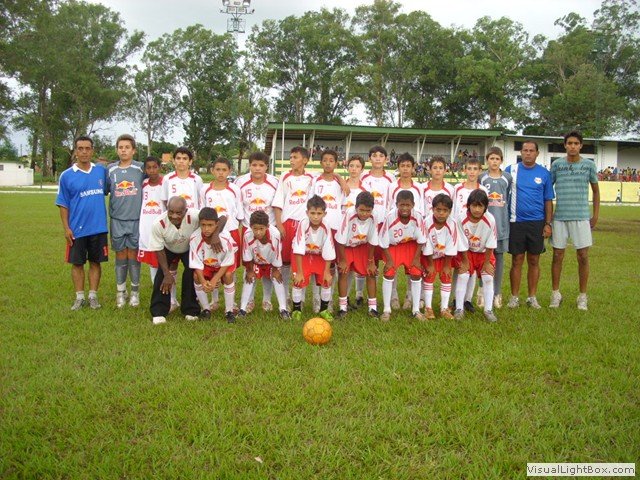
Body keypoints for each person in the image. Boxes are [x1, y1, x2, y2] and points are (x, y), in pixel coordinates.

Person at [56, 135, 109, 310]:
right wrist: (66, 228)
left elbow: (108, 190)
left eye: (87, 148)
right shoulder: (66, 176)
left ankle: (93, 296)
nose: (84, 152)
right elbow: (63, 204)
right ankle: (79, 297)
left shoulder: (101, 171)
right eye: (80, 148)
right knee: (77, 263)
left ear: (92, 151)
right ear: (75, 151)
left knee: (95, 262)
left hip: (98, 228)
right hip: (77, 229)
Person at [550, 131, 600, 310]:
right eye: (569, 143)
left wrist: (595, 215)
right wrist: (548, 218)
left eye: (576, 143)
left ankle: (582, 296)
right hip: (560, 217)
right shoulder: (557, 165)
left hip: (581, 217)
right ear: (565, 145)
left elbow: (596, 191)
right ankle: (555, 294)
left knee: (583, 256)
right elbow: (548, 190)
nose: (572, 146)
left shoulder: (588, 165)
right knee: (557, 255)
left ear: (581, 146)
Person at [504, 141, 554, 309]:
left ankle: (532, 297)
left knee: (534, 260)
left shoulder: (544, 173)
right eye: (525, 150)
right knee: (517, 260)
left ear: (537, 153)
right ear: (521, 152)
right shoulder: (511, 170)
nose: (528, 153)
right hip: (516, 222)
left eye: (531, 150)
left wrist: (548, 223)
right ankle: (514, 297)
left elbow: (548, 200)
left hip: (537, 223)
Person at [148, 197, 213, 324]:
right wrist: (167, 274)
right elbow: (159, 250)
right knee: (162, 275)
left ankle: (190, 309)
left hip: (189, 248)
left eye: (179, 213)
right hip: (168, 248)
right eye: (171, 212)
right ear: (167, 209)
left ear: (185, 211)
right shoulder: (158, 224)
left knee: (191, 272)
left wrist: (215, 236)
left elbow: (220, 219)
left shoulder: (195, 215)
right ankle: (159, 311)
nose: (174, 216)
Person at [236, 151, 279, 312]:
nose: (257, 168)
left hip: (269, 230)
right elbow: (238, 206)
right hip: (249, 230)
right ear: (250, 165)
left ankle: (267, 300)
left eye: (261, 165)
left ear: (267, 166)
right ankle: (249, 300)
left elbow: (278, 205)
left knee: (268, 264)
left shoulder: (274, 182)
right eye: (254, 165)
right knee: (249, 264)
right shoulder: (240, 182)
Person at [105, 134, 145, 308]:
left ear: (133, 150)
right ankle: (121, 292)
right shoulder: (110, 169)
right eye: (120, 147)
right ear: (117, 150)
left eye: (127, 147)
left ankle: (135, 292)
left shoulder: (140, 168)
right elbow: (106, 190)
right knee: (120, 255)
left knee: (134, 256)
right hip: (117, 220)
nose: (123, 150)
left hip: (136, 220)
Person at [272, 146, 315, 299]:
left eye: (295, 157)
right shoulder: (285, 176)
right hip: (287, 224)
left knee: (301, 261)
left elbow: (329, 174)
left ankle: (300, 298)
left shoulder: (311, 178)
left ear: (305, 160)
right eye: (290, 157)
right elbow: (278, 202)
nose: (291, 160)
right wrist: (279, 224)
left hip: (304, 225)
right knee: (285, 262)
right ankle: (285, 296)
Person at [137, 156, 180, 310]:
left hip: (164, 230)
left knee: (169, 265)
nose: (152, 170)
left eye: (155, 167)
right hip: (146, 229)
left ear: (159, 168)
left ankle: (173, 299)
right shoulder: (143, 184)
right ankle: (160, 297)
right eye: (148, 168)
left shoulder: (165, 183)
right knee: (153, 265)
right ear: (145, 170)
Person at [385, 152, 425, 309]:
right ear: (398, 167)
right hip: (396, 231)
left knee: (412, 266)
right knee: (392, 266)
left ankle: (409, 296)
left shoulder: (419, 187)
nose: (406, 169)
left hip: (413, 232)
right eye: (403, 166)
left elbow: (421, 210)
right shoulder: (392, 186)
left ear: (413, 167)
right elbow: (389, 208)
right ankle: (393, 296)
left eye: (409, 166)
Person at [379, 191, 426, 321]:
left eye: (408, 205)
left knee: (416, 272)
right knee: (389, 273)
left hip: (411, 245)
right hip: (394, 246)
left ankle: (416, 310)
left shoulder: (418, 216)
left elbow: (421, 239)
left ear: (413, 205)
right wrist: (389, 260)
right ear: (396, 204)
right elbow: (383, 241)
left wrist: (416, 259)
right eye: (402, 205)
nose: (405, 208)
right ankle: (386, 310)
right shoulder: (390, 216)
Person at [453, 190, 498, 322]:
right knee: (463, 275)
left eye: (480, 206)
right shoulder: (461, 218)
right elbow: (461, 242)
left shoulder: (490, 219)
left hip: (484, 253)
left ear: (485, 207)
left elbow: (491, 243)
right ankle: (459, 309)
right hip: (467, 252)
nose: (477, 209)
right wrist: (465, 261)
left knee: (488, 277)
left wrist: (487, 263)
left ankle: (488, 310)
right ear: (468, 206)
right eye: (474, 206)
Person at [290, 195, 336, 322]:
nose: (316, 217)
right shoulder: (303, 224)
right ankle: (296, 310)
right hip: (302, 255)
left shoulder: (326, 226)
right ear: (307, 213)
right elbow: (298, 249)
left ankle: (324, 310)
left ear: (324, 214)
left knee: (326, 280)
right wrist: (299, 272)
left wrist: (327, 272)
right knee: (298, 280)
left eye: (319, 213)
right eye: (313, 213)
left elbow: (329, 250)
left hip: (319, 255)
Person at [452, 157, 489, 313]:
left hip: (476, 232)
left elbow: (485, 212)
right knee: (460, 266)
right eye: (469, 169)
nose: (472, 172)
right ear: (464, 170)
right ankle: (456, 298)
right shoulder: (457, 188)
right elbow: (453, 210)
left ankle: (468, 299)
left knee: (472, 268)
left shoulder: (483, 189)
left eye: (475, 169)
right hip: (460, 230)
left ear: (480, 171)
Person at [238, 211, 290, 319]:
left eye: (261, 229)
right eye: (255, 228)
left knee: (277, 278)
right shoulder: (247, 234)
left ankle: (283, 309)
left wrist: (276, 270)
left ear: (267, 226)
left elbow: (277, 253)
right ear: (250, 226)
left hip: (270, 263)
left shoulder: (275, 234)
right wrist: (250, 271)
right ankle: (242, 309)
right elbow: (247, 255)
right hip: (255, 262)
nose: (258, 232)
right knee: (248, 277)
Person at [310, 149, 344, 312]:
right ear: (321, 163)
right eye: (325, 160)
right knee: (317, 263)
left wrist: (340, 178)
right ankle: (316, 298)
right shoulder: (316, 181)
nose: (328, 163)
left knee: (331, 265)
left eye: (331, 160)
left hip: (335, 227)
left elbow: (345, 198)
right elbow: (310, 202)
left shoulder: (339, 182)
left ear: (336, 163)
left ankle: (328, 299)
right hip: (319, 227)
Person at [335, 191, 379, 318]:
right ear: (356, 207)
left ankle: (373, 308)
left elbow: (372, 240)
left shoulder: (374, 216)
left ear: (372, 209)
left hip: (362, 246)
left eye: (368, 210)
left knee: (371, 272)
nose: (364, 213)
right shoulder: (349, 214)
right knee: (343, 272)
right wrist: (343, 260)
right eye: (361, 210)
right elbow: (340, 240)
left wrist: (370, 261)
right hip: (346, 247)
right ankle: (343, 308)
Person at [190, 207, 238, 323]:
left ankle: (229, 311)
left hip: (224, 264)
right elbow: (196, 263)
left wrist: (214, 279)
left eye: (210, 225)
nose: (206, 229)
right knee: (196, 276)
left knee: (228, 276)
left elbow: (227, 261)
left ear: (217, 224)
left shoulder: (225, 238)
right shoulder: (194, 238)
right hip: (207, 264)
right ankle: (206, 309)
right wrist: (203, 282)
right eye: (203, 225)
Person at [479, 147, 512, 309]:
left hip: (501, 225)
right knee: (481, 258)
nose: (494, 161)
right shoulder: (481, 178)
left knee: (498, 259)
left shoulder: (507, 178)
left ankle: (497, 293)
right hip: (484, 226)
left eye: (497, 159)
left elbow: (509, 200)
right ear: (487, 160)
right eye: (491, 158)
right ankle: (481, 292)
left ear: (501, 161)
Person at [422, 194, 458, 320]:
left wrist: (447, 266)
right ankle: (428, 308)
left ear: (450, 211)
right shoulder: (426, 222)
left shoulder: (452, 224)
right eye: (438, 210)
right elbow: (426, 244)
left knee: (446, 277)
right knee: (429, 276)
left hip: (444, 257)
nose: (441, 213)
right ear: (432, 209)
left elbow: (452, 244)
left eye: (445, 210)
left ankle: (444, 308)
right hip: (429, 257)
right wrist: (430, 265)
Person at [342, 155, 366, 307]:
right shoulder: (341, 186)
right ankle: (336, 299)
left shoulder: (365, 189)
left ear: (362, 169)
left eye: (357, 166)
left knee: (353, 267)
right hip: (342, 232)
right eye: (351, 166)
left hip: (357, 234)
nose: (354, 169)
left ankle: (351, 296)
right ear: (347, 167)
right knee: (341, 268)